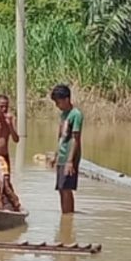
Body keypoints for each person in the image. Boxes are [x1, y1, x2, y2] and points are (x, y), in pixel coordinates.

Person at [48, 84, 83, 215]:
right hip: (62, 155)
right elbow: (61, 137)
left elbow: (75, 138)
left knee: (66, 188)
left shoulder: (76, 114)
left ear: (66, 99)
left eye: (58, 101)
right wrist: (56, 155)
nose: (57, 105)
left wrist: (70, 161)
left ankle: (68, 217)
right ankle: (66, 218)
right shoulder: (64, 115)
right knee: (61, 188)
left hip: (70, 156)